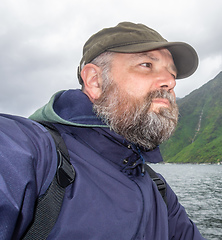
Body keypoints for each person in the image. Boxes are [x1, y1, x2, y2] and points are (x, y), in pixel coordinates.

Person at [0, 22, 205, 239]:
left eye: (171, 73)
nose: (170, 82)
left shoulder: (159, 193)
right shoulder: (33, 152)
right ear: (95, 81)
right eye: (146, 65)